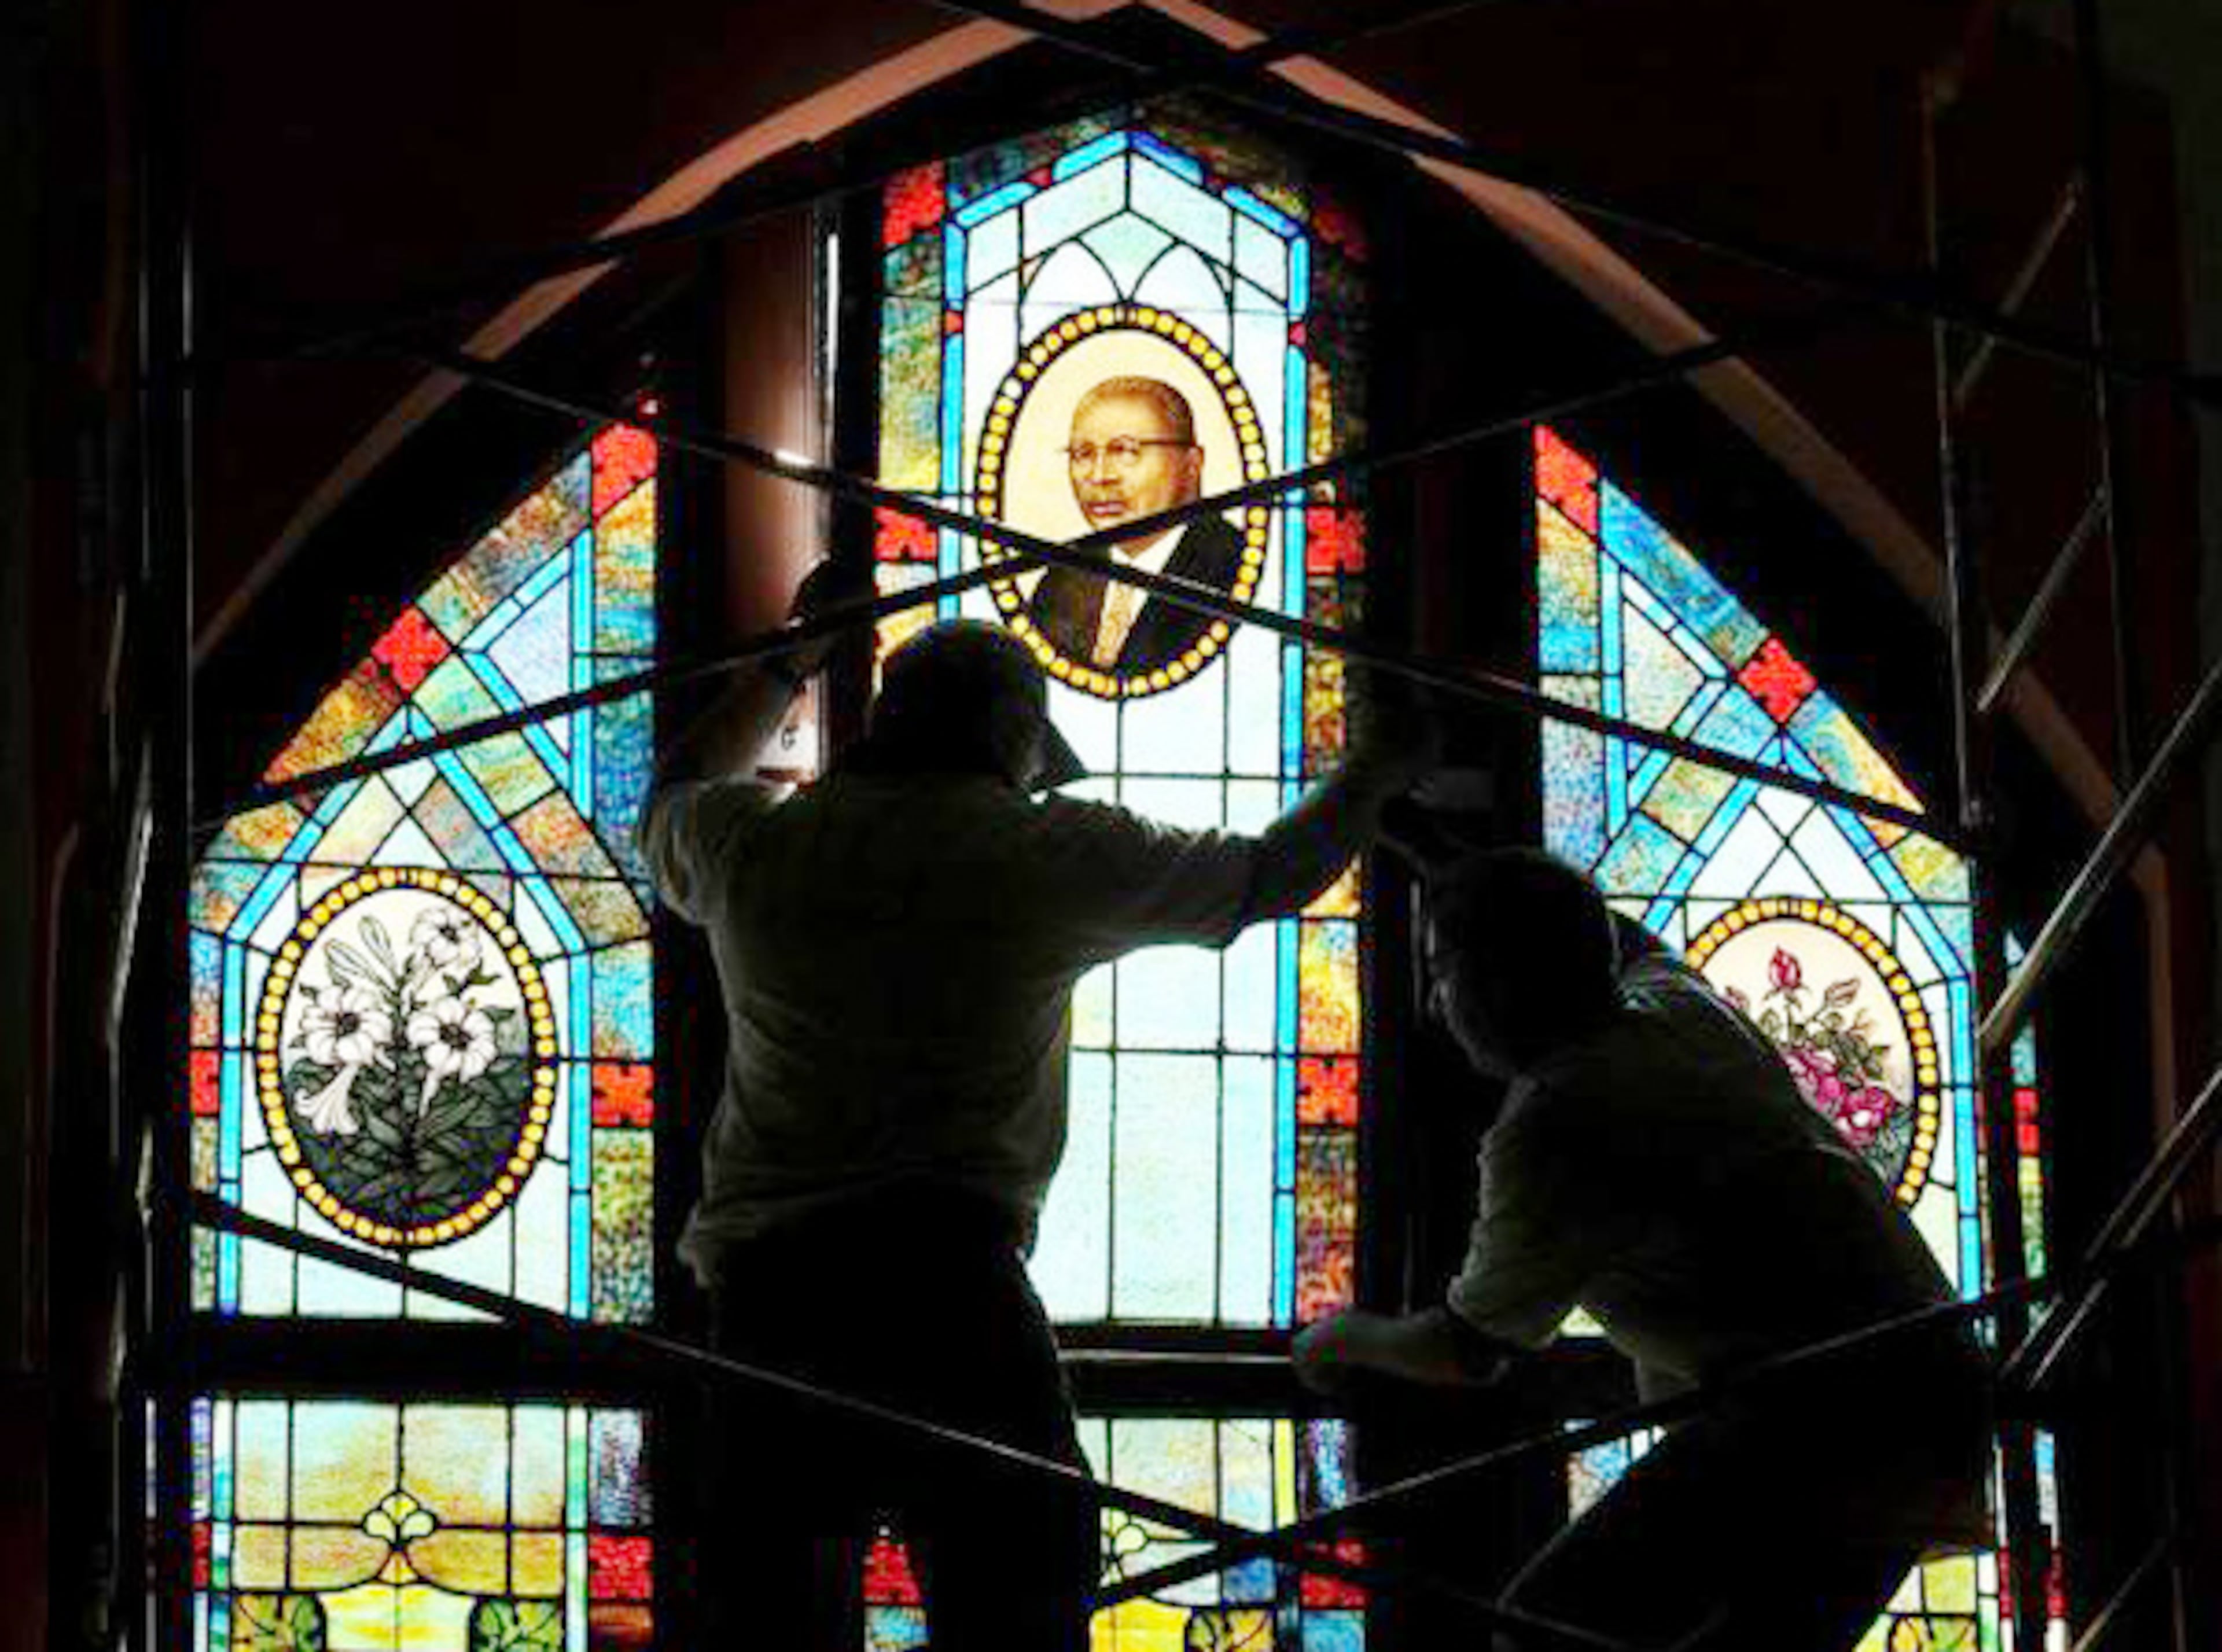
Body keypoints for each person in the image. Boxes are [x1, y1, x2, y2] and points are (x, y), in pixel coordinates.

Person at [641, 584, 1434, 1651]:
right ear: (1015, 738)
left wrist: (798, 650)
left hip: (773, 1299)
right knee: (1021, 1595)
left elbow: (673, 791)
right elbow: (1272, 875)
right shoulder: (1043, 855)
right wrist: (1377, 770)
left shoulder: (757, 850)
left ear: (886, 719)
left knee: (770, 1614)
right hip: (951, 1291)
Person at [1294, 847, 1993, 1652]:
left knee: (1539, 1632)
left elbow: (1469, 1347)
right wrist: (1442, 854)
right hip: (1932, 1391)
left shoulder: (1555, 1117)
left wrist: (1337, 1338)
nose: (1432, 1002)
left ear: (1495, 980)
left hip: (1814, 1419)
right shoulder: (1679, 1003)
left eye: (1439, 969)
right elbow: (1607, 930)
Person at [1025, 375, 1246, 677]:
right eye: (1083, 454)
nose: (1100, 475)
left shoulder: (1236, 568)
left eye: (1125, 452)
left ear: (1192, 464)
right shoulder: (1062, 582)